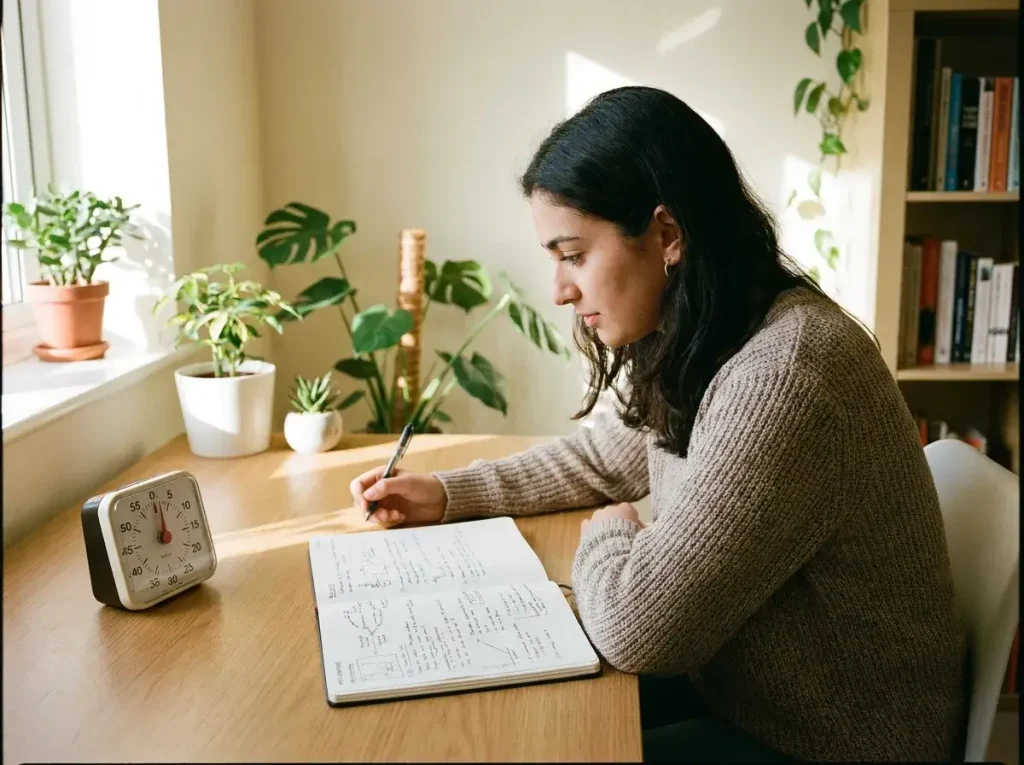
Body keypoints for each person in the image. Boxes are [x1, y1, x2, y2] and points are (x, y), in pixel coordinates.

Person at [349, 86, 968, 762]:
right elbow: (603, 459)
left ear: (666, 236)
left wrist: (610, 537)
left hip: (832, 741)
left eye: (573, 254)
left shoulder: (787, 374)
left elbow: (640, 630)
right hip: (745, 693)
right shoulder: (710, 335)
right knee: (510, 715)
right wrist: (447, 492)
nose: (558, 290)